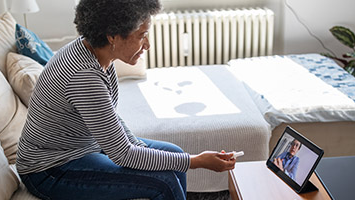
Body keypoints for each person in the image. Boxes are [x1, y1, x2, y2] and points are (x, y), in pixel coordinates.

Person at [15, 0, 236, 199]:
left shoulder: (97, 54)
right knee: (164, 182)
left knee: (174, 155)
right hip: (49, 170)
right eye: (141, 35)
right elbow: (123, 154)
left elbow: (110, 118)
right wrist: (196, 161)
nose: (147, 45)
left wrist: (140, 145)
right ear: (112, 36)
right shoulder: (83, 77)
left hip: (84, 147)